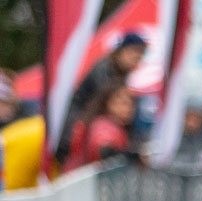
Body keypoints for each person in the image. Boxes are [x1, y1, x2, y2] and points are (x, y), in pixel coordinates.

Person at [60, 32, 147, 163]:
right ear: (121, 51)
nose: (136, 57)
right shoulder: (105, 70)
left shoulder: (121, 75)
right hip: (75, 126)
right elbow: (104, 147)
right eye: (133, 52)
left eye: (140, 55)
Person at [65, 84, 137, 169]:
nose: (129, 107)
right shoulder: (102, 125)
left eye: (132, 102)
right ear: (109, 103)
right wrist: (134, 157)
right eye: (123, 102)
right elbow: (104, 149)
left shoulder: (121, 129)